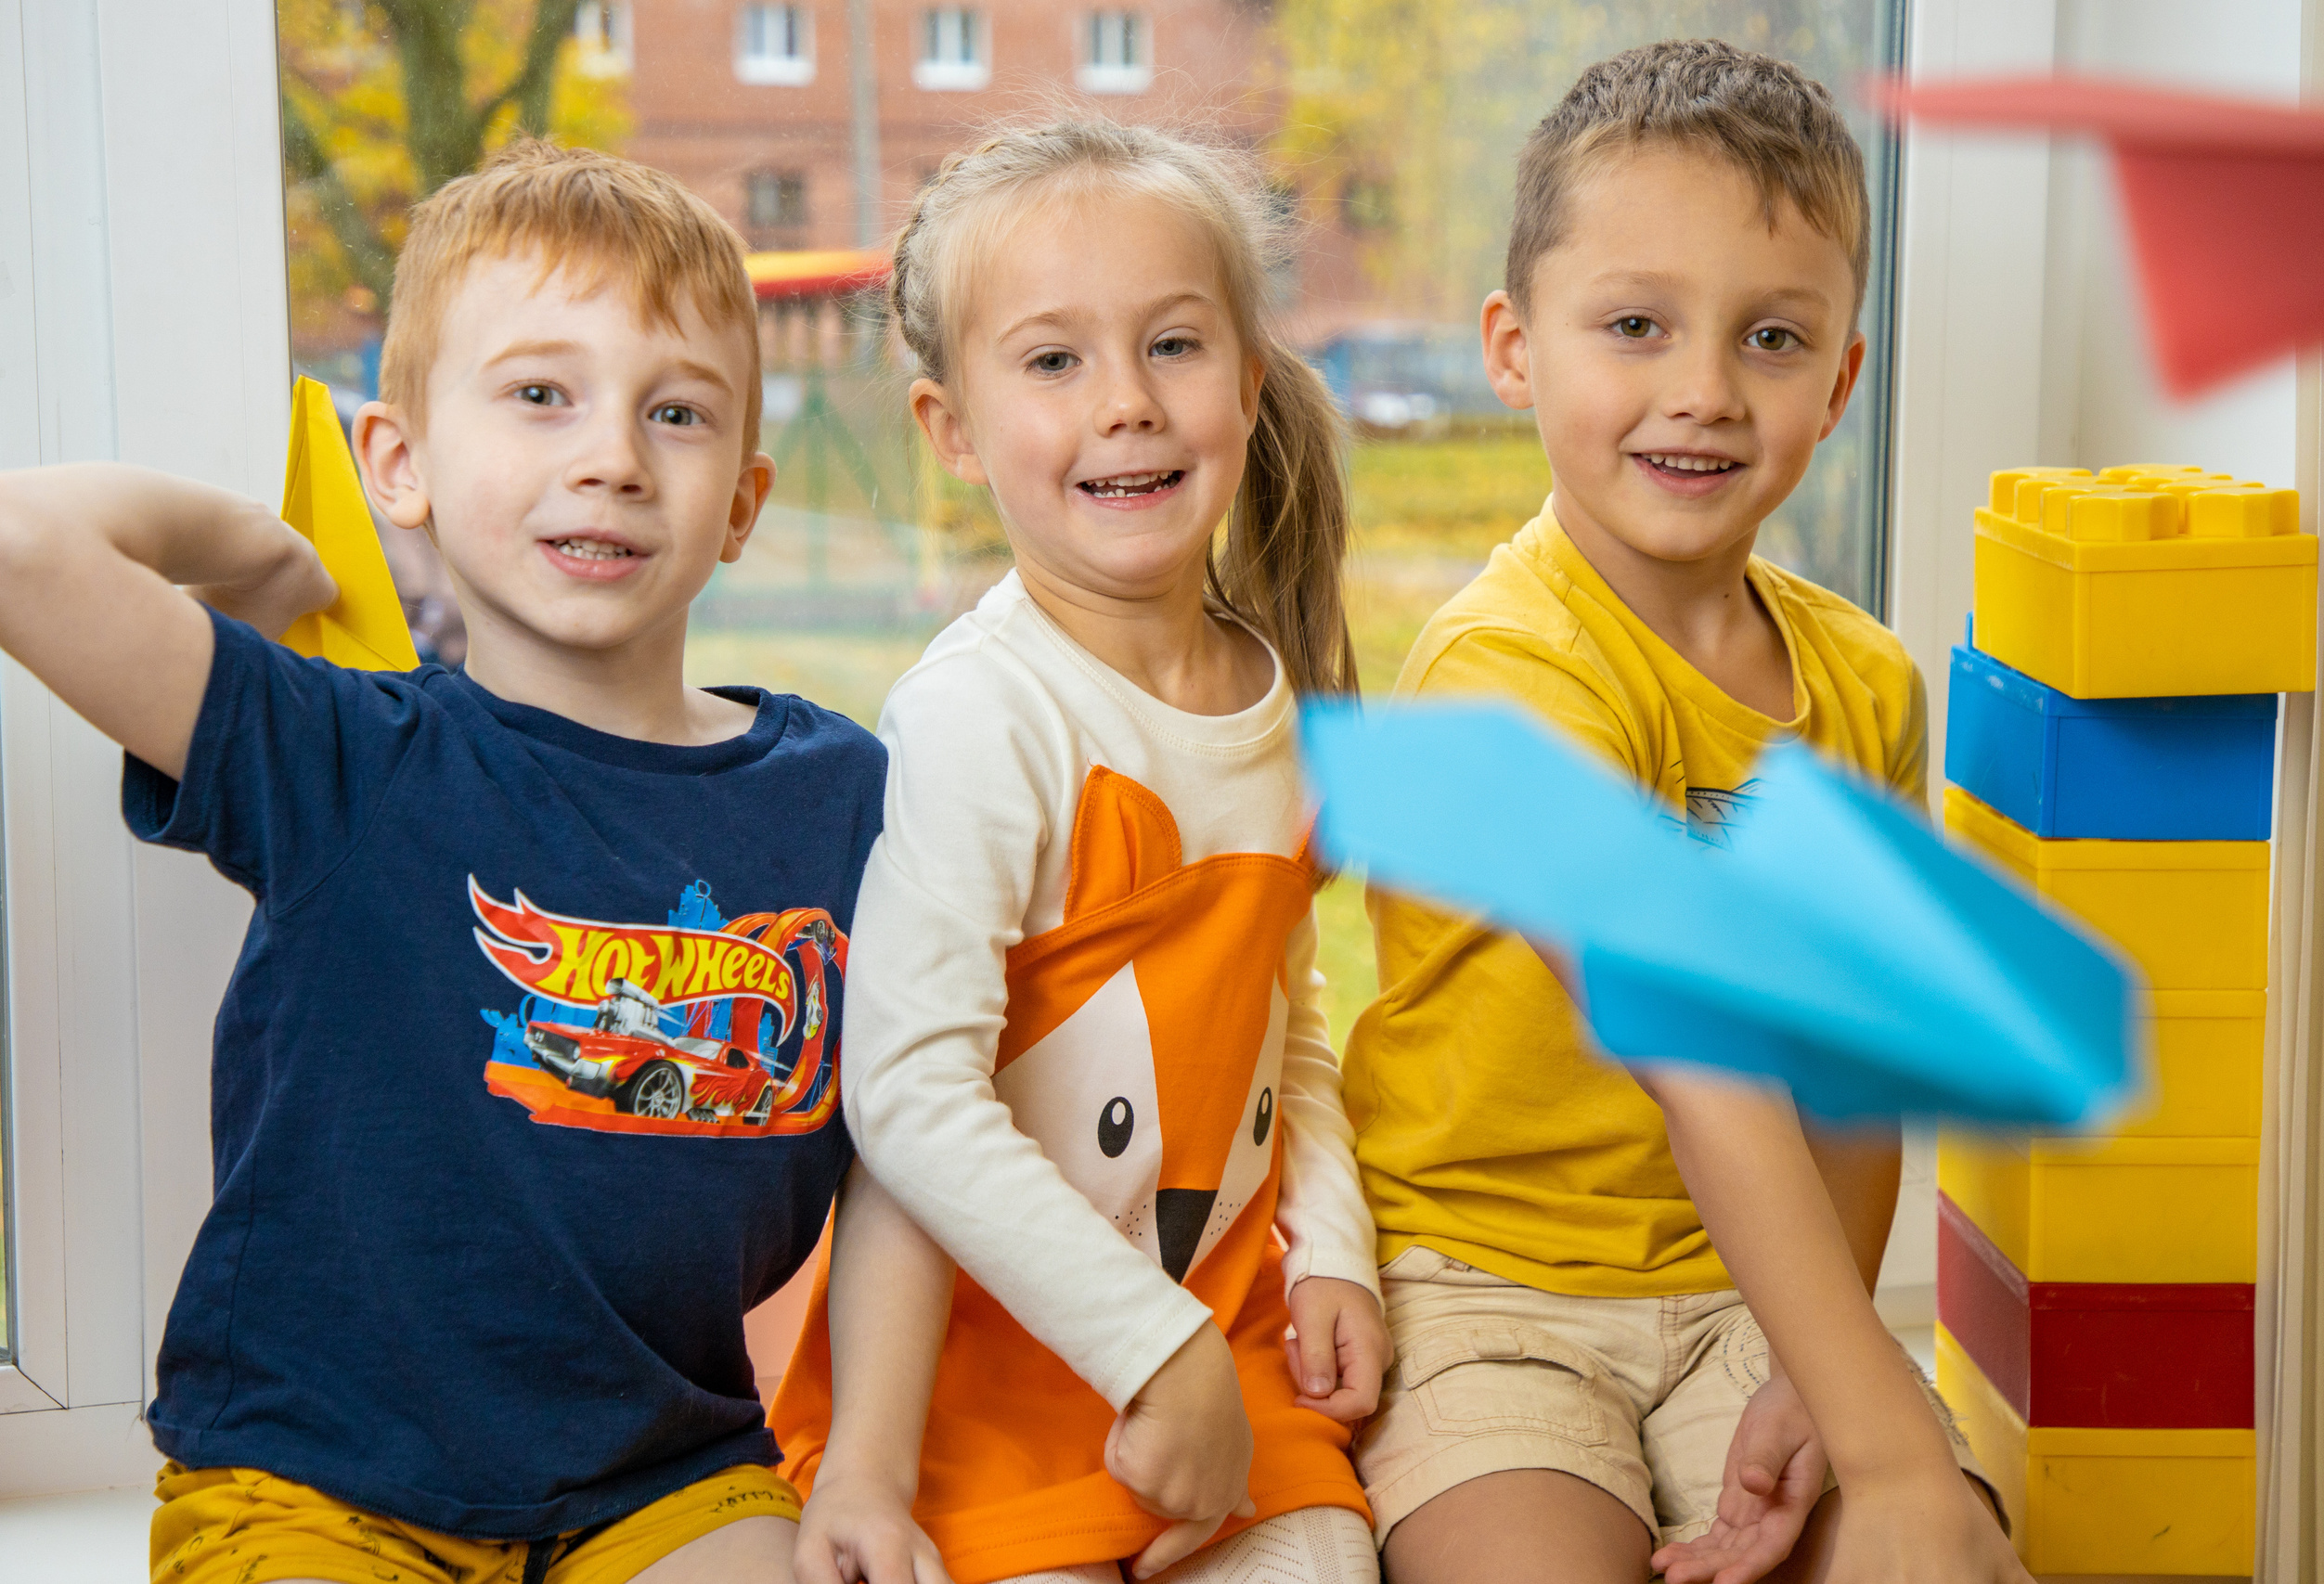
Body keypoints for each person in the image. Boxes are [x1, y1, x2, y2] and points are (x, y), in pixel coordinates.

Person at [0, 141, 886, 1584]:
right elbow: (21, 542)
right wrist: (252, 557)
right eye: (542, 395)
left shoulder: (844, 794)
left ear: (742, 497)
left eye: (675, 412)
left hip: (667, 1477)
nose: (609, 455)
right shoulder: (343, 754)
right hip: (315, 1485)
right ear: (398, 464)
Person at [1340, 41, 2027, 1584]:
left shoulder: (1864, 687)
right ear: (1516, 349)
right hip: (1486, 1296)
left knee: (1944, 1559)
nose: (1704, 392)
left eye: (1773, 338)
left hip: (1749, 1297)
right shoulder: (1501, 674)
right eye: (1636, 326)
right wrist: (1888, 1442)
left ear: (1844, 377)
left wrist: (1823, 1360)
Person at [768, 122, 1388, 1584]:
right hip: (990, 1381)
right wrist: (1145, 1346)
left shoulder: (1279, 700)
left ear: (1247, 376)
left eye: (1173, 346)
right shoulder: (986, 713)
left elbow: (1281, 1032)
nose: (1127, 405)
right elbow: (909, 1090)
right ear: (953, 429)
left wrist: (1337, 1249)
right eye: (1053, 362)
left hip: (1220, 1343)